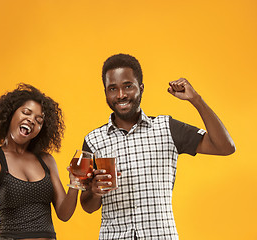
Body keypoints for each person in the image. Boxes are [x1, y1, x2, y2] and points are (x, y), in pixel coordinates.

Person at [80, 54, 235, 240]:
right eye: (113, 88)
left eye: (128, 86)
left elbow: (225, 147)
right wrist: (95, 192)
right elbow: (87, 206)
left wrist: (196, 99)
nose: (121, 95)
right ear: (105, 92)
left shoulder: (167, 128)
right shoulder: (93, 140)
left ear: (141, 88)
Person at [0, 83, 79, 240]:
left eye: (39, 120)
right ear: (10, 114)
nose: (32, 120)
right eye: (26, 113)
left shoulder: (46, 161)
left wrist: (75, 184)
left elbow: (64, 214)